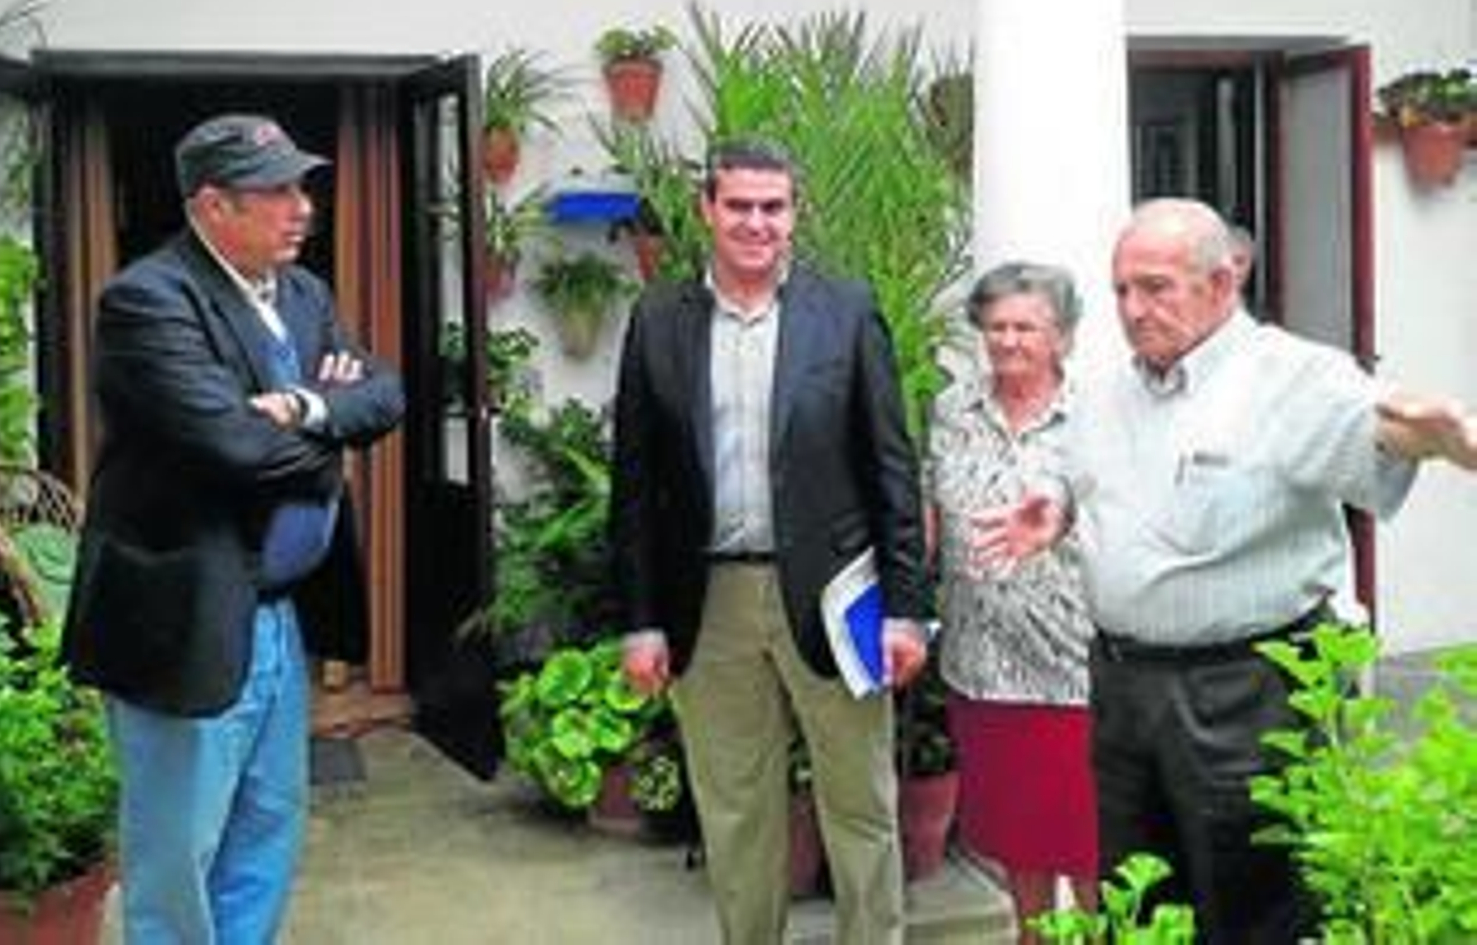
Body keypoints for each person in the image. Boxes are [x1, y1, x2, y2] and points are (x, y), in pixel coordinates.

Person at [972, 197, 1477, 943]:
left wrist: (1432, 435)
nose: (1133, 309)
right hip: (1124, 688)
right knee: (1138, 899)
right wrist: (1058, 508)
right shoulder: (1108, 392)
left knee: (1256, 906)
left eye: (1155, 287)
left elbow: (1375, 420)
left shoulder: (1287, 375)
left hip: (1247, 692)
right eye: (1122, 290)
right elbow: (1086, 475)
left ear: (1222, 281)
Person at [61, 113, 405, 944]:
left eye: (302, 186)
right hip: (185, 616)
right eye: (276, 190)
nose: (303, 207)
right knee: (178, 852)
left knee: (267, 826)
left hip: (279, 614)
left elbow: (385, 393)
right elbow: (233, 447)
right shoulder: (149, 301)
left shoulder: (303, 292)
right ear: (213, 205)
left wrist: (304, 406)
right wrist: (334, 432)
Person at [611, 137, 930, 945]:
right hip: (708, 602)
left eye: (773, 207)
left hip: (836, 599)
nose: (757, 223)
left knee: (861, 804)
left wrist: (905, 610)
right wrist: (641, 620)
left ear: (794, 213)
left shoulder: (845, 310)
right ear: (707, 210)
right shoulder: (659, 321)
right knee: (735, 812)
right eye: (740, 206)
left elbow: (892, 467)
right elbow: (635, 484)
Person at [925, 261, 1097, 942]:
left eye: (1026, 327)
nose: (1008, 340)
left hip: (1075, 665)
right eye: (995, 326)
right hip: (983, 663)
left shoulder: (1096, 414)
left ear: (1063, 337)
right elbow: (931, 503)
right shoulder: (951, 410)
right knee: (1019, 836)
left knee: (1088, 839)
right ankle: (1031, 935)